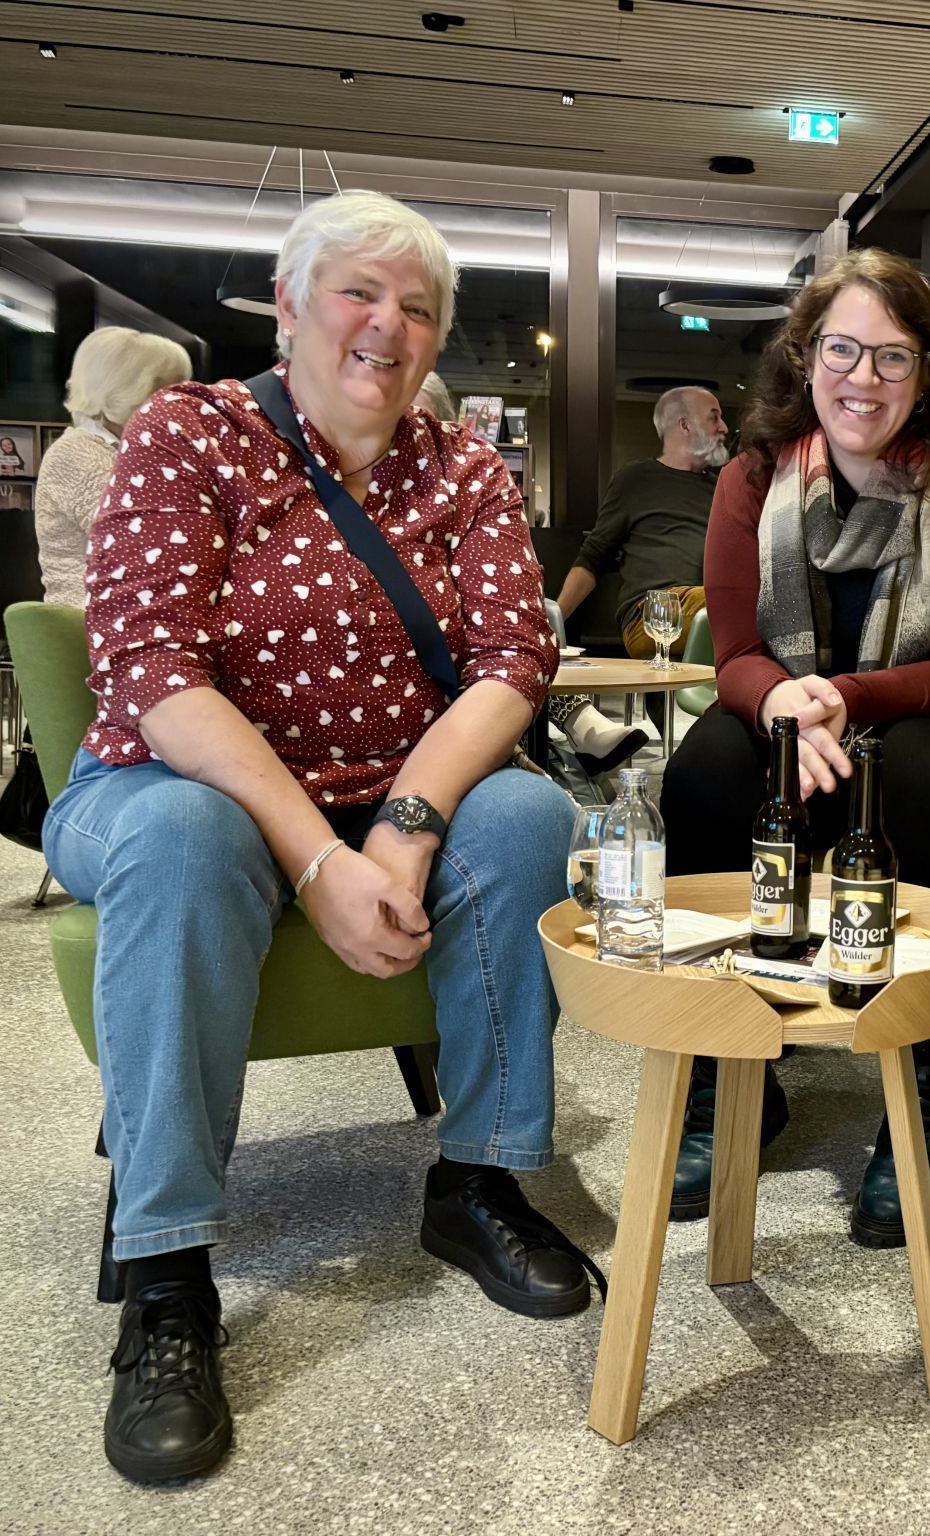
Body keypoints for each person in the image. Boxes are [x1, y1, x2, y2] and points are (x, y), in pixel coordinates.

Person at [42, 190, 595, 1486]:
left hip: (385, 787)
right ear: (287, 307)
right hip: (168, 780)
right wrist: (319, 858)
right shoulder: (190, 436)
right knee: (185, 836)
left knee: (525, 813)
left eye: (417, 308)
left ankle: (479, 1181)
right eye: (357, 291)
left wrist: (402, 830)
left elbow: (515, 660)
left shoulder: (462, 465)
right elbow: (153, 669)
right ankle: (170, 1270)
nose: (386, 326)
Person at [658, 248, 930, 1246]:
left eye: (894, 358)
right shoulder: (751, 478)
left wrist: (835, 698)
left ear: (926, 373)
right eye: (842, 350)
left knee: (909, 777)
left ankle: (921, 1091)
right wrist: (791, 709)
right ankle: (730, 1073)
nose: (864, 379)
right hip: (808, 724)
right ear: (805, 359)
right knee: (709, 768)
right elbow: (738, 657)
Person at [555, 384, 729, 659]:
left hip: (710, 607)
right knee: (735, 600)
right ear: (685, 425)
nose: (724, 427)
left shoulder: (722, 487)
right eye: (714, 417)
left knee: (748, 598)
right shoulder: (635, 480)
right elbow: (593, 557)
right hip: (652, 613)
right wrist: (551, 626)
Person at [35, 328, 194, 606]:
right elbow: (149, 546)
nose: (187, 403)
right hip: (99, 622)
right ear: (128, 390)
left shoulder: (127, 450)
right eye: (171, 390)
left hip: (134, 612)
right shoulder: (79, 455)